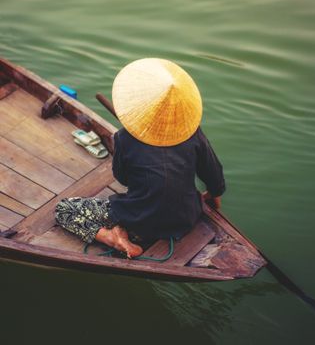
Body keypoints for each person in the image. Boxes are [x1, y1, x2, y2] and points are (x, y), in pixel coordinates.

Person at [55, 58, 225, 258]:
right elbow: (214, 176)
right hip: (187, 217)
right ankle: (123, 230)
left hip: (139, 219)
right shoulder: (193, 133)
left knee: (64, 210)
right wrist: (212, 197)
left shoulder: (124, 138)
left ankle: (111, 237)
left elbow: (123, 178)